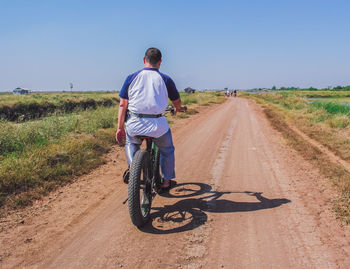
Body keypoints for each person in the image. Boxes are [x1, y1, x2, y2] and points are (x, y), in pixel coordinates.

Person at [115, 48, 186, 190]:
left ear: (143, 60)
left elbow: (123, 104)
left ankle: (132, 167)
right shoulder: (166, 79)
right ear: (160, 62)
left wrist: (120, 128)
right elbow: (176, 103)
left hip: (135, 123)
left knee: (131, 143)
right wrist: (178, 108)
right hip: (157, 125)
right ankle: (166, 182)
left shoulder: (131, 77)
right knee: (167, 150)